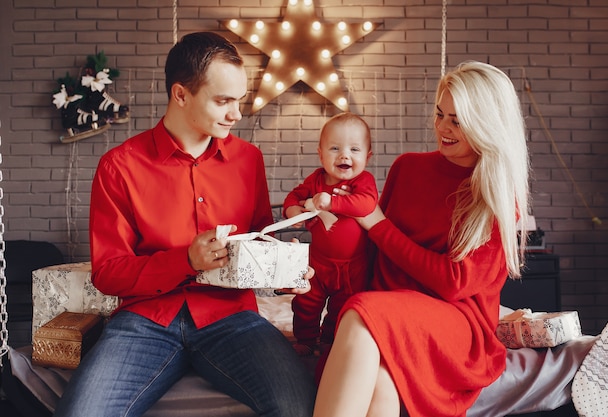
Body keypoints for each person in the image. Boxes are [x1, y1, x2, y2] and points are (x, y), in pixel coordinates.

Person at [54, 32, 316, 417]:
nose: (236, 114)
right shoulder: (119, 166)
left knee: (300, 406)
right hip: (144, 323)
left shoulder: (249, 160)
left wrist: (282, 271)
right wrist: (185, 261)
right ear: (180, 94)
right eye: (224, 101)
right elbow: (108, 273)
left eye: (239, 100)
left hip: (232, 318)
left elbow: (257, 241)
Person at [313, 61, 531, 417]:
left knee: (363, 313)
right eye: (440, 113)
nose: (442, 128)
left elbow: (453, 282)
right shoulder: (407, 167)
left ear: (486, 124)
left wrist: (379, 225)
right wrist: (317, 265)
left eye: (457, 121)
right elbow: (373, 250)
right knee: (381, 381)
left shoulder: (497, 195)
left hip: (456, 322)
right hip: (392, 306)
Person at [283, 112, 378, 357]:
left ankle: (328, 341)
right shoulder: (315, 180)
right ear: (321, 153)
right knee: (305, 303)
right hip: (317, 263)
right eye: (335, 148)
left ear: (367, 156)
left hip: (353, 267)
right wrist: (293, 209)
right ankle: (305, 340)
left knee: (343, 308)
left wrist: (332, 202)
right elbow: (294, 196)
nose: (344, 155)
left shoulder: (363, 181)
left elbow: (366, 204)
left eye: (354, 149)